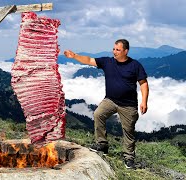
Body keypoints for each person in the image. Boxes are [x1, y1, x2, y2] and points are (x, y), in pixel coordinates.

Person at [64, 39, 149, 169]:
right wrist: (74, 56)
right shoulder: (108, 62)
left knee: (128, 131)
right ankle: (102, 145)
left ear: (126, 51)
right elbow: (89, 60)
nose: (114, 52)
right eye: (114, 49)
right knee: (98, 114)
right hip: (110, 100)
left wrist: (144, 101)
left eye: (118, 50)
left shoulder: (135, 65)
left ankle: (129, 158)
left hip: (128, 105)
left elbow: (143, 83)